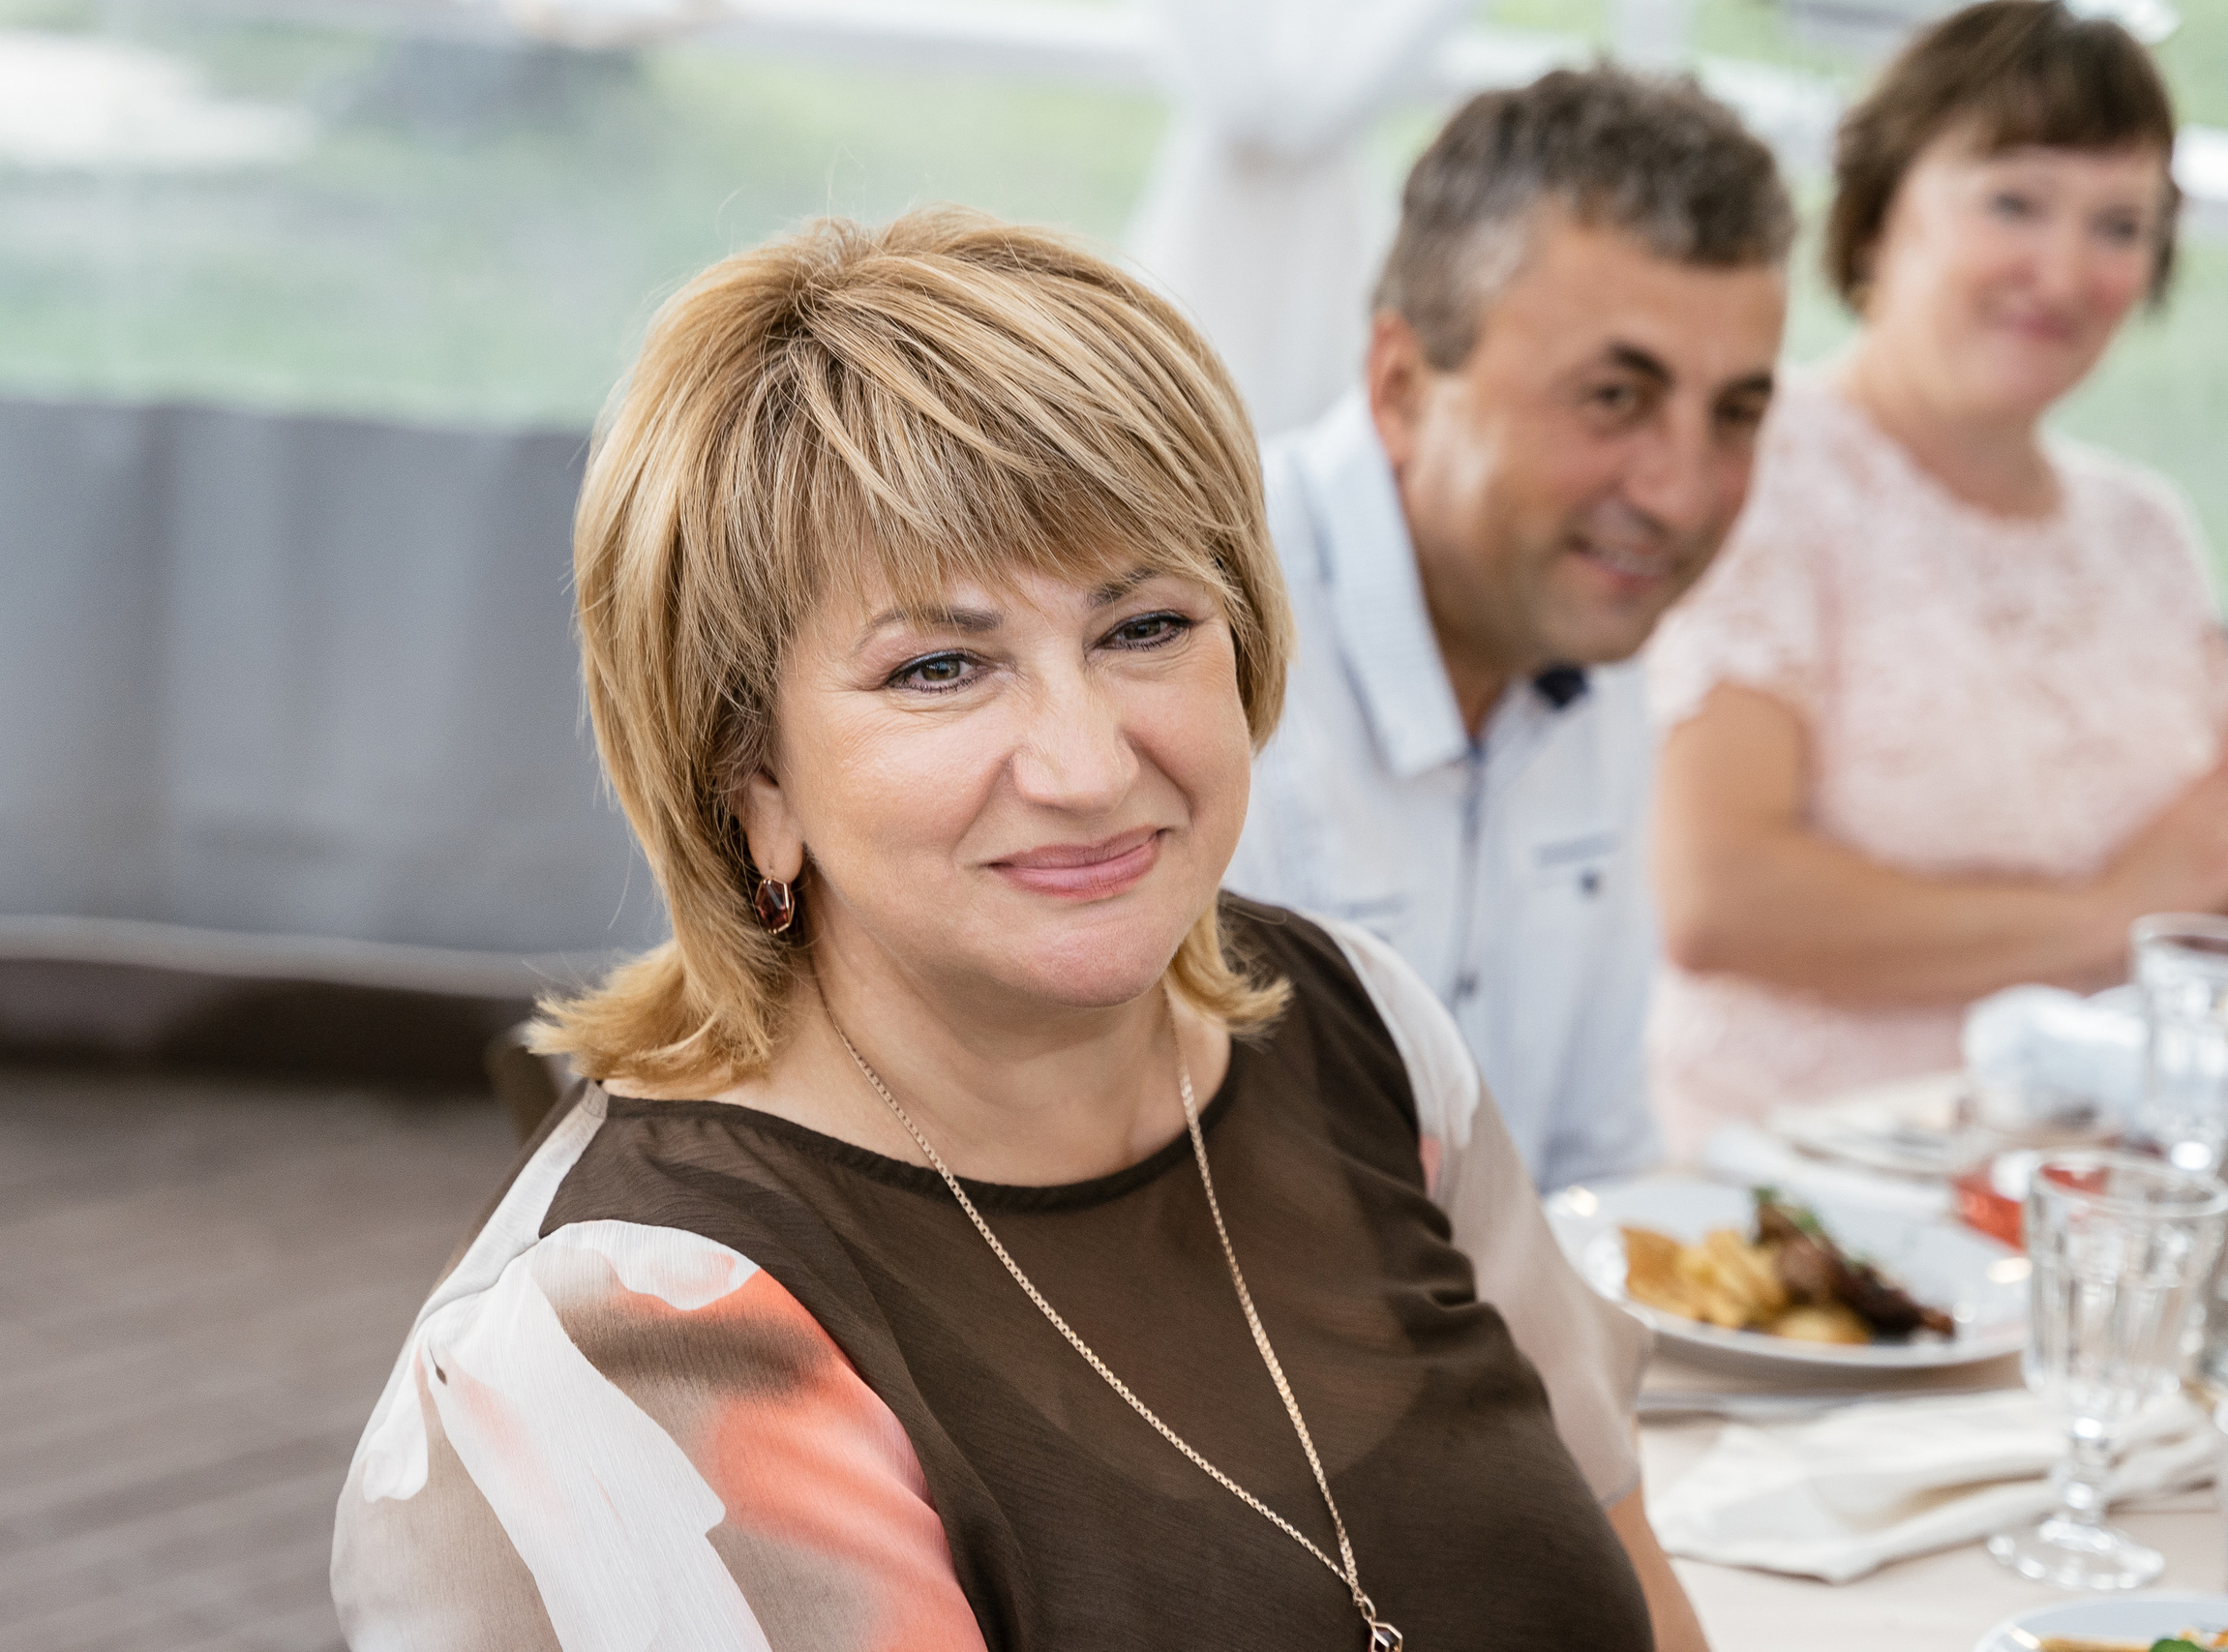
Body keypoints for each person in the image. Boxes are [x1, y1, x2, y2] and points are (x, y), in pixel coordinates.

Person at [330, 211, 1707, 1652]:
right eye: (941, 665)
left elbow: (1638, 1577)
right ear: (754, 778)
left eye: (1145, 627)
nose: (1088, 761)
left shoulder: (1356, 1023)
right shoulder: (631, 1339)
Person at [1645, 0, 2228, 1158]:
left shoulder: (2146, 530)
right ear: (1883, 211)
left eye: (2120, 224)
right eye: (2014, 202)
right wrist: (2106, 915)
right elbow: (1716, 902)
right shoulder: (1761, 465)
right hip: (1803, 1202)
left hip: (2103, 1212)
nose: (2065, 269)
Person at [1221, 68, 1794, 1191]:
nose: (1682, 496)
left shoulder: (1589, 633)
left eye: (1734, 414)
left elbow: (1594, 1166)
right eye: (1613, 399)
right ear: (1400, 387)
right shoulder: (1191, 648)